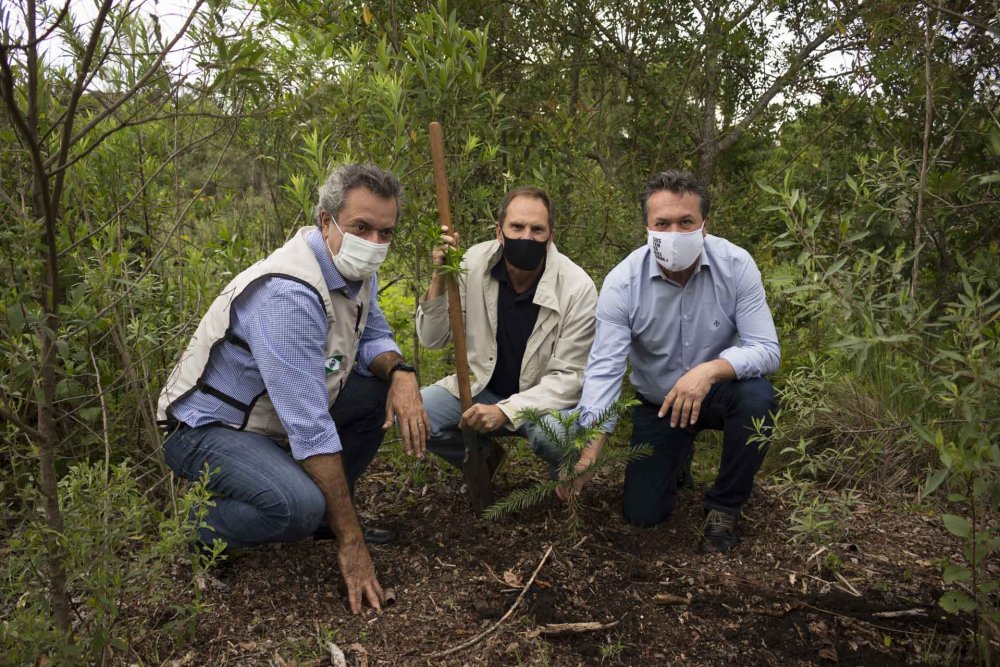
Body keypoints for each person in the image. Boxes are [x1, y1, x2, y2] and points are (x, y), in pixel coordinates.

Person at [157, 163, 429, 614]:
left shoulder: (355, 272)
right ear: (327, 220)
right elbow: (311, 430)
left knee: (376, 393)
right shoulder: (290, 293)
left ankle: (324, 514)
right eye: (361, 227)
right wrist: (354, 543)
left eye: (386, 232)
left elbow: (374, 338)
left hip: (270, 417)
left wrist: (402, 372)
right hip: (206, 428)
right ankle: (198, 526)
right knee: (294, 508)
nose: (374, 244)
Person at [564, 170, 780, 554]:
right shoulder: (623, 282)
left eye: (686, 222)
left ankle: (725, 507)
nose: (674, 233)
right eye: (662, 223)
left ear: (705, 225)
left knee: (758, 398)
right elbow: (605, 367)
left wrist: (708, 371)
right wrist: (589, 446)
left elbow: (766, 348)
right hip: (659, 403)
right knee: (642, 515)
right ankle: (676, 461)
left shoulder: (736, 265)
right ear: (647, 227)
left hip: (719, 392)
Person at [416, 186, 597, 478]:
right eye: (517, 227)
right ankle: (485, 459)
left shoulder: (577, 288)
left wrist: (506, 411)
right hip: (483, 389)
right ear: (499, 231)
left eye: (537, 229)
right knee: (416, 412)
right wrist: (440, 275)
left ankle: (563, 484)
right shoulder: (473, 263)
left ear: (551, 235)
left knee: (552, 435)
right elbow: (432, 337)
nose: (526, 237)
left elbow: (571, 379)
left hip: (544, 405)